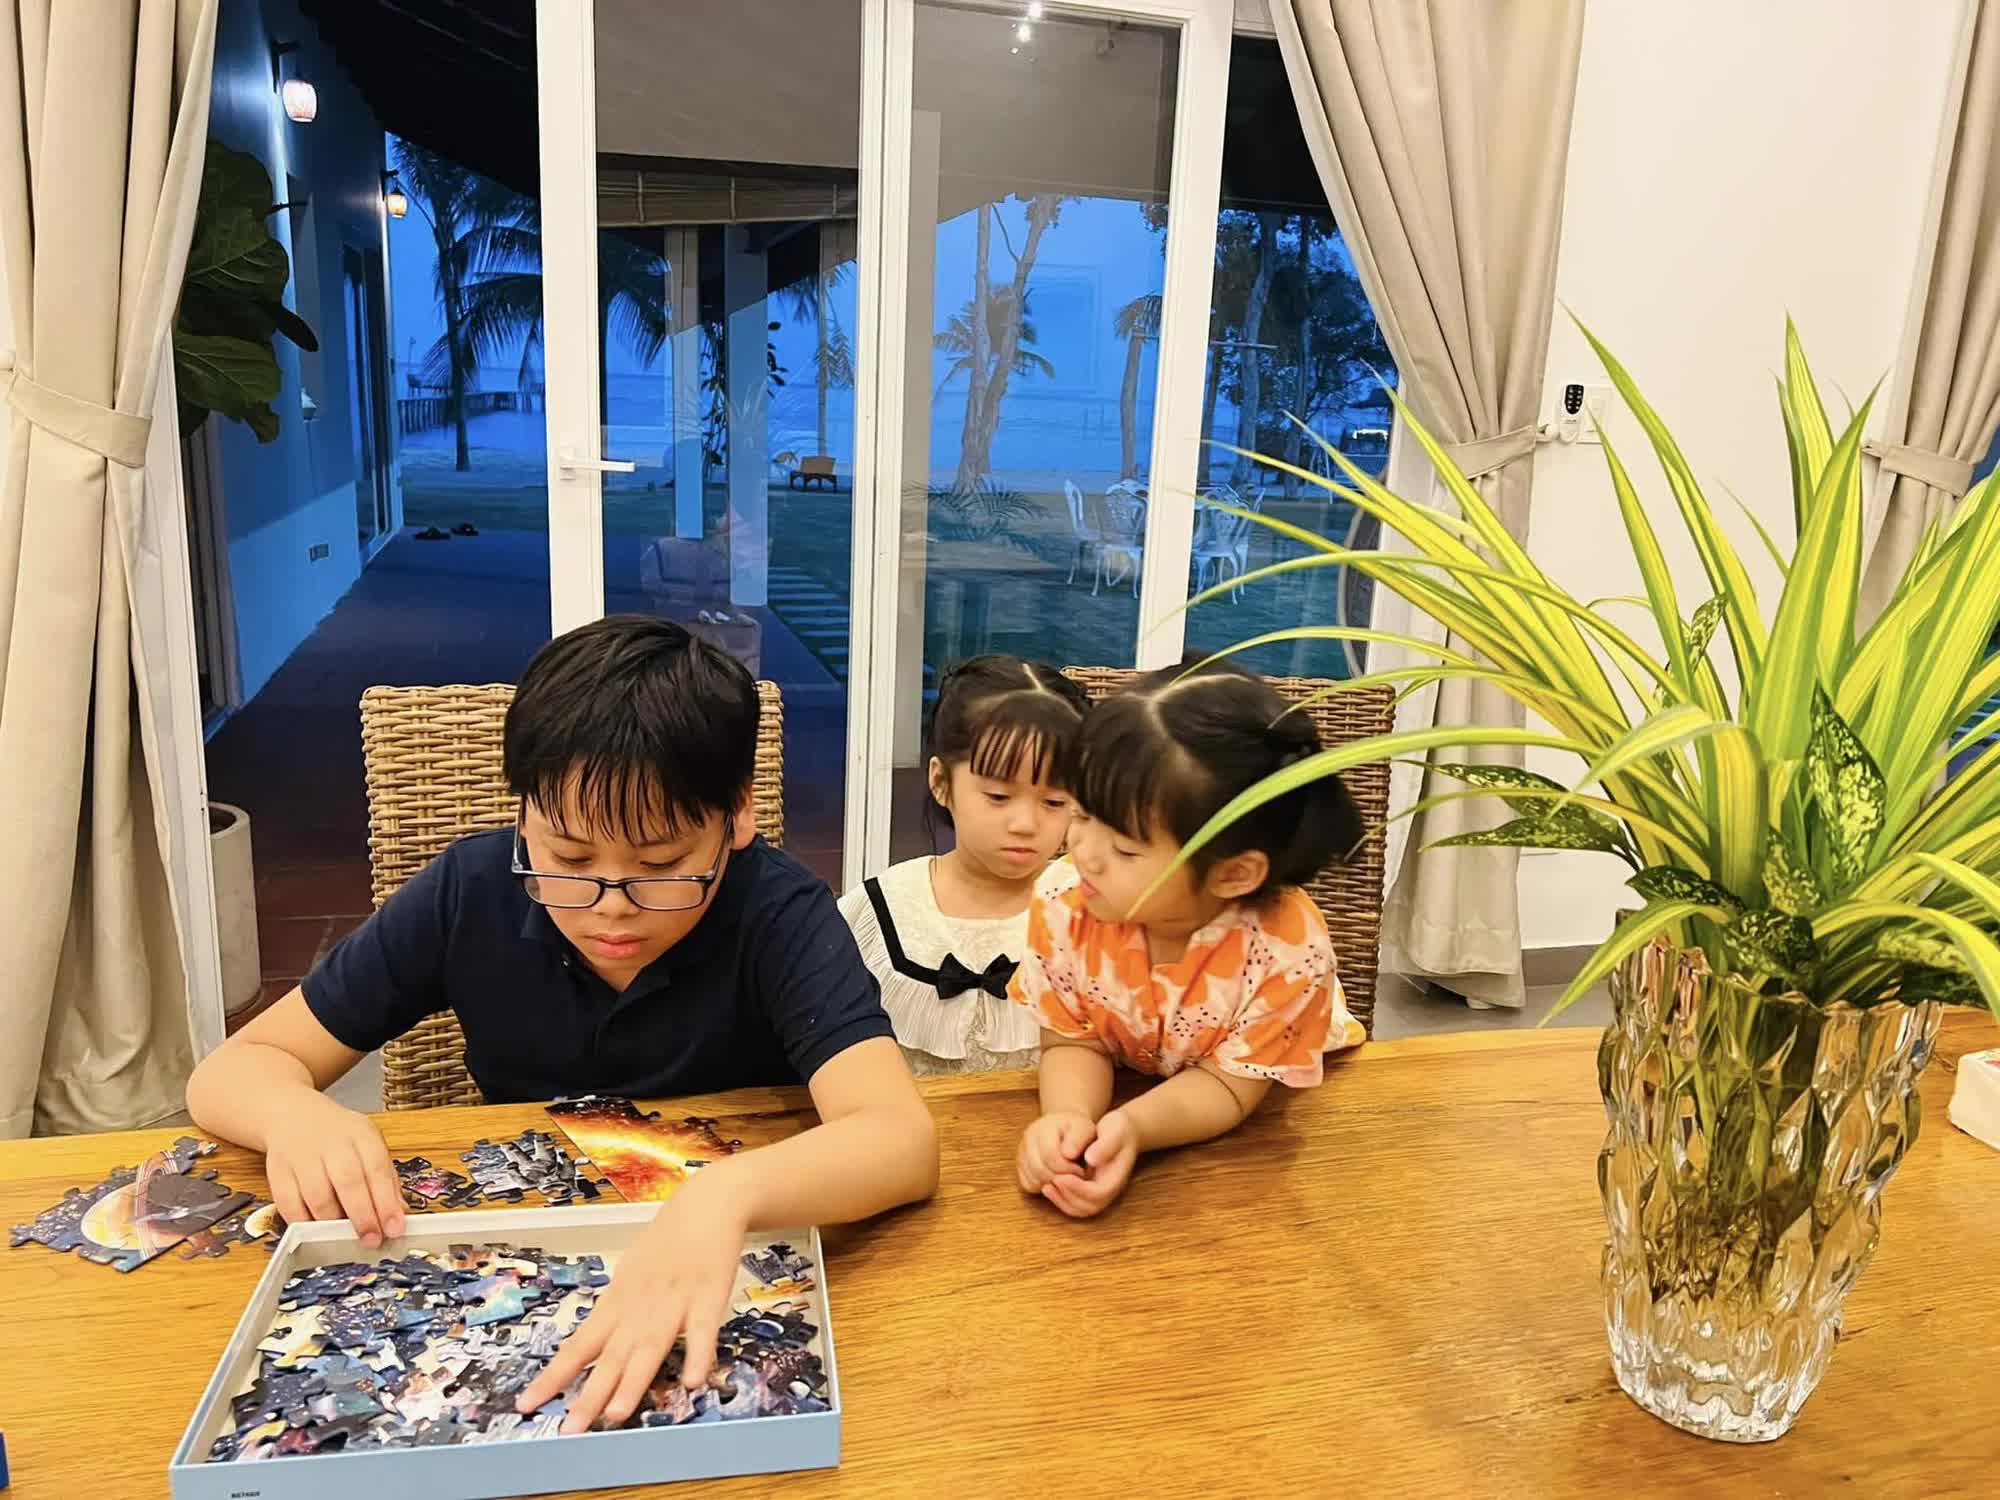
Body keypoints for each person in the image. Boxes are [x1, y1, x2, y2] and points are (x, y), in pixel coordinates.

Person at [186, 616, 937, 1433]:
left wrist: (727, 1192)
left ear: (737, 817)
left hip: (737, 1264)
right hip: (520, 1264)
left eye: (660, 865)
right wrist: (295, 1115)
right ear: (523, 817)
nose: (611, 906)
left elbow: (899, 1137)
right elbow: (233, 1070)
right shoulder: (468, 892)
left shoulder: (780, 912)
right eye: (571, 859)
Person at [1011, 658, 1365, 1219]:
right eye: (1080, 814)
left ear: (1233, 874)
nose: (1083, 852)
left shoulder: (1288, 952)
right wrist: (1068, 1118)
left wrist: (1133, 1128)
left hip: (1269, 1117)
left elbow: (1229, 1087)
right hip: (1136, 1074)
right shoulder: (1066, 904)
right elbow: (1074, 1041)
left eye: (1125, 849)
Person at [838, 656, 1089, 1076]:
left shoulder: (1093, 909)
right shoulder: (878, 913)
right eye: (998, 796)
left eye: (1053, 801)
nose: (1025, 824)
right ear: (941, 782)